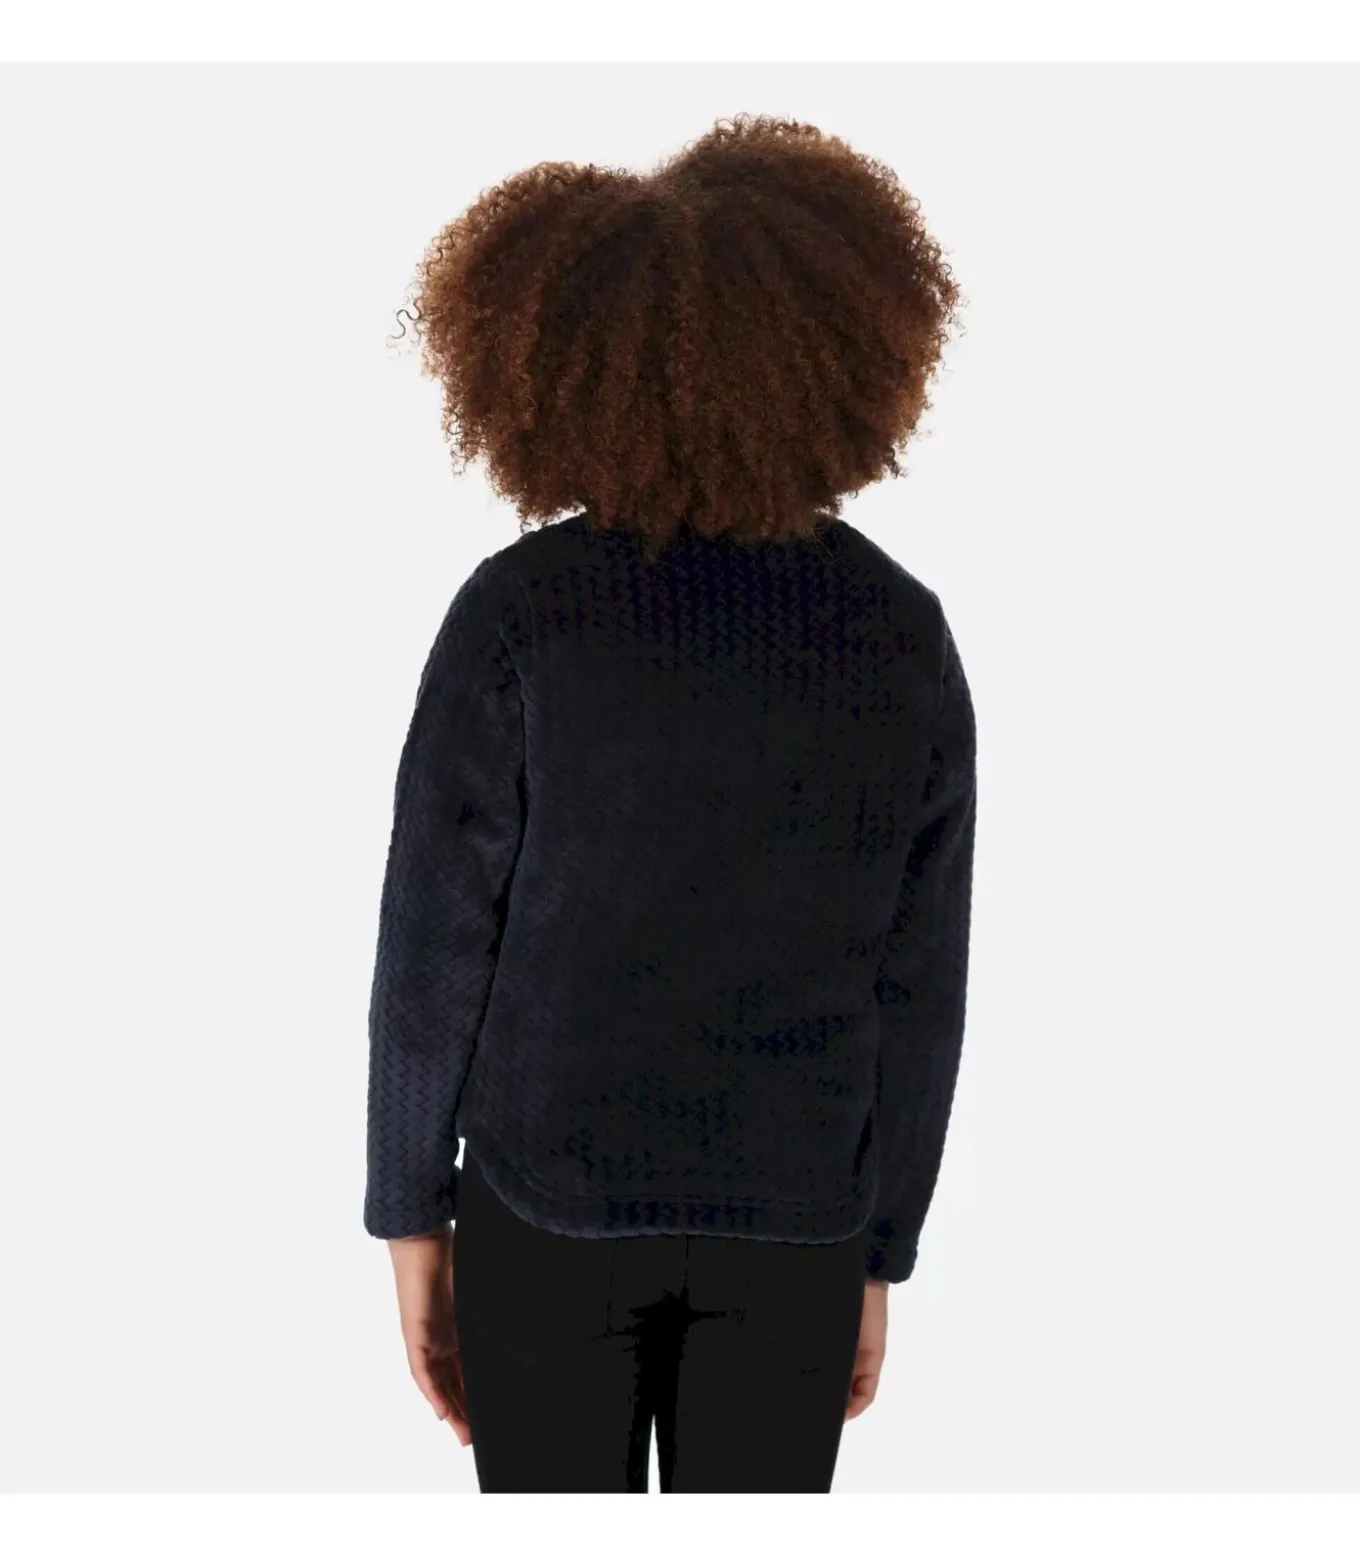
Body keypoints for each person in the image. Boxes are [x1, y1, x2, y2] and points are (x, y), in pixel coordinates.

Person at [363, 111, 976, 1493]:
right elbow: (920, 982)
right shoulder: (899, 631)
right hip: (799, 1222)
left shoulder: (519, 615)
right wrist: (882, 1248)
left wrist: (411, 1215)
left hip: (542, 1211)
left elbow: (432, 949)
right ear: (847, 354)